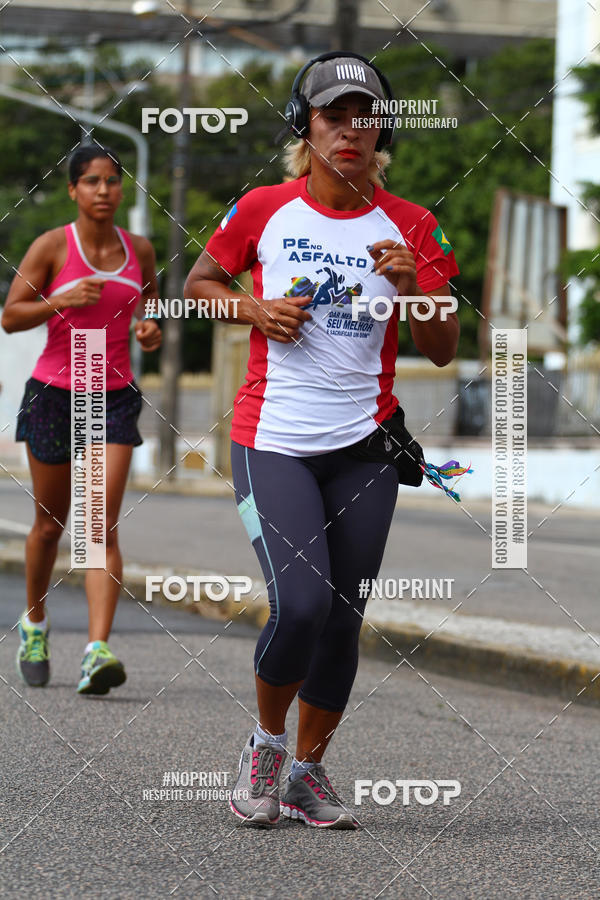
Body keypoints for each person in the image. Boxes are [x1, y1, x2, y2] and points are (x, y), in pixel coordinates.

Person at [184, 52, 460, 828]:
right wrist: (252, 312)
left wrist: (418, 287)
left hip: (366, 447)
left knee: (344, 615)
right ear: (305, 126)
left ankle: (309, 772)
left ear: (383, 132)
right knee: (300, 605)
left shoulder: (413, 224)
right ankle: (265, 745)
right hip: (271, 438)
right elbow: (199, 289)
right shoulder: (264, 207)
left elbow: (442, 347)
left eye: (365, 117)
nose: (351, 130)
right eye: (334, 115)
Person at [1, 145, 161, 695]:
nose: (103, 190)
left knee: (99, 525)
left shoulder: (139, 248)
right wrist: (60, 299)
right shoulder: (52, 246)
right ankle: (35, 624)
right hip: (53, 393)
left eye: (112, 181)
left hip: (112, 396)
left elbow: (149, 313)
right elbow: (10, 317)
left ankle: (97, 651)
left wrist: (149, 331)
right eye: (91, 181)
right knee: (50, 525)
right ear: (73, 189)